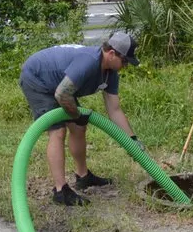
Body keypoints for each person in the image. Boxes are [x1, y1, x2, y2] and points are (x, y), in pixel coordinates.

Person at [19, 32, 143, 206]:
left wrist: (132, 139)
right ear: (111, 53)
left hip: (62, 86)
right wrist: (76, 115)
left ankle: (83, 177)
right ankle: (60, 191)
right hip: (38, 77)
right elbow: (62, 94)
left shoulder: (110, 73)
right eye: (124, 61)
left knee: (79, 127)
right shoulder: (89, 62)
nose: (125, 66)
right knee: (58, 131)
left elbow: (114, 110)